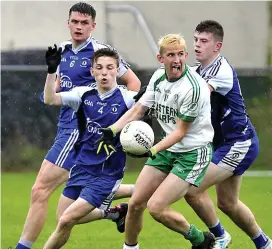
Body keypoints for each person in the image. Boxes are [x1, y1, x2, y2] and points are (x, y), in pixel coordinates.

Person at [15, 3, 141, 249]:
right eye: (75, 22)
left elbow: (134, 83)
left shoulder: (102, 52)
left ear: (93, 26)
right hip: (64, 127)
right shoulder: (61, 50)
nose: (79, 27)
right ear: (68, 23)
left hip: (79, 131)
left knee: (40, 189)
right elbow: (55, 94)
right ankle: (125, 203)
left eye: (85, 23)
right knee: (68, 212)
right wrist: (52, 76)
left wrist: (118, 123)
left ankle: (23, 247)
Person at [97, 34, 216, 249]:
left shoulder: (192, 88)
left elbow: (180, 132)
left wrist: (152, 150)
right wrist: (113, 129)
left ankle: (200, 239)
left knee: (156, 208)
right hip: (167, 148)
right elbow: (139, 109)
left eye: (180, 54)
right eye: (171, 55)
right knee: (135, 204)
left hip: (192, 153)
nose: (176, 60)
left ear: (186, 56)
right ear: (161, 58)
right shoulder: (158, 77)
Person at [184, 20, 272, 249]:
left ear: (217, 46)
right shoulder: (196, 71)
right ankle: (264, 244)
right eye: (195, 40)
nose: (197, 45)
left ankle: (221, 237)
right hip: (225, 144)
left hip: (239, 143)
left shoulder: (221, 70)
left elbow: (199, 94)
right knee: (227, 203)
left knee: (192, 189)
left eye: (203, 41)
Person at [42, 47, 138, 249]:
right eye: (99, 68)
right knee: (62, 219)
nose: (104, 72)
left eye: (110, 68)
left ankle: (135, 192)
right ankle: (116, 211)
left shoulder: (128, 99)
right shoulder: (83, 94)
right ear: (92, 71)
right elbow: (50, 99)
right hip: (81, 168)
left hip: (106, 174)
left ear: (117, 70)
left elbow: (146, 110)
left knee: (66, 220)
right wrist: (52, 72)